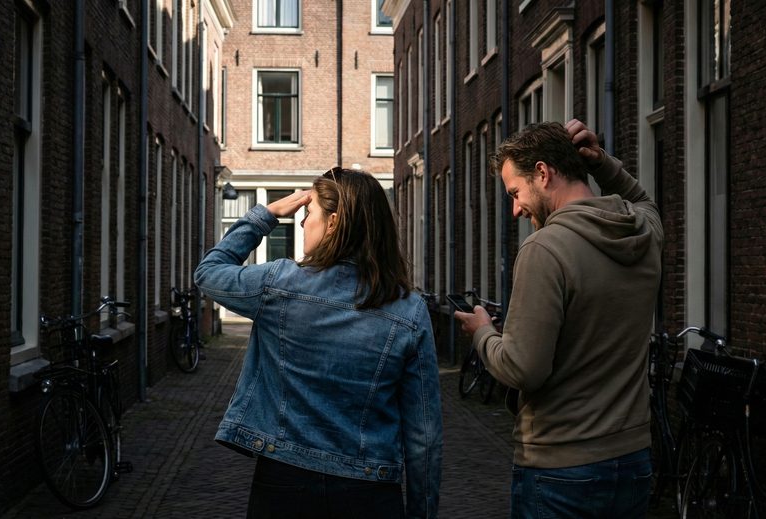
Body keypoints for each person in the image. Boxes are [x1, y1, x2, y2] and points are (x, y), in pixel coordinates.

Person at [194, 167, 442, 519]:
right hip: (370, 492)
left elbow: (209, 272)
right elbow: (424, 434)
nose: (301, 222)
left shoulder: (278, 283)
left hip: (284, 482)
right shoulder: (409, 310)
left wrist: (264, 215)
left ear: (334, 222)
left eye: (308, 213)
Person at [453, 120, 662, 518]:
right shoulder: (643, 232)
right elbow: (644, 199)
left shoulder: (545, 249)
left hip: (562, 468)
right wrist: (601, 163)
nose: (515, 210)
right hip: (633, 461)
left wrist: (482, 334)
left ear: (544, 173)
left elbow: (523, 369)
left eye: (515, 193)